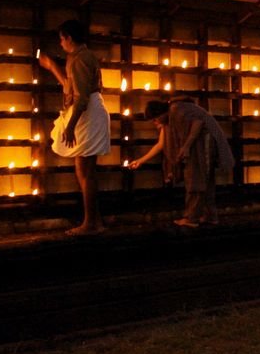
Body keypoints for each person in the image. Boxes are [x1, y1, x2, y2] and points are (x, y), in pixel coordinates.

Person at [38, 19, 110, 235]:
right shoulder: (81, 57)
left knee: (85, 170)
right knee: (86, 170)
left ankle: (90, 223)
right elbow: (72, 88)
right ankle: (94, 221)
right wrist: (52, 67)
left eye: (61, 39)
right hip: (90, 111)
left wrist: (70, 126)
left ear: (69, 37)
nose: (61, 44)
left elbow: (80, 98)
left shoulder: (79, 59)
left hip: (86, 114)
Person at [131, 98, 235, 227]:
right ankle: (209, 216)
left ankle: (192, 218)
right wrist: (140, 161)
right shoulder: (169, 120)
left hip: (203, 141)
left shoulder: (176, 110)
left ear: (161, 114)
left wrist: (186, 146)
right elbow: (161, 144)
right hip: (197, 144)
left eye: (155, 120)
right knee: (204, 180)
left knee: (196, 179)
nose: (155, 123)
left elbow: (198, 123)